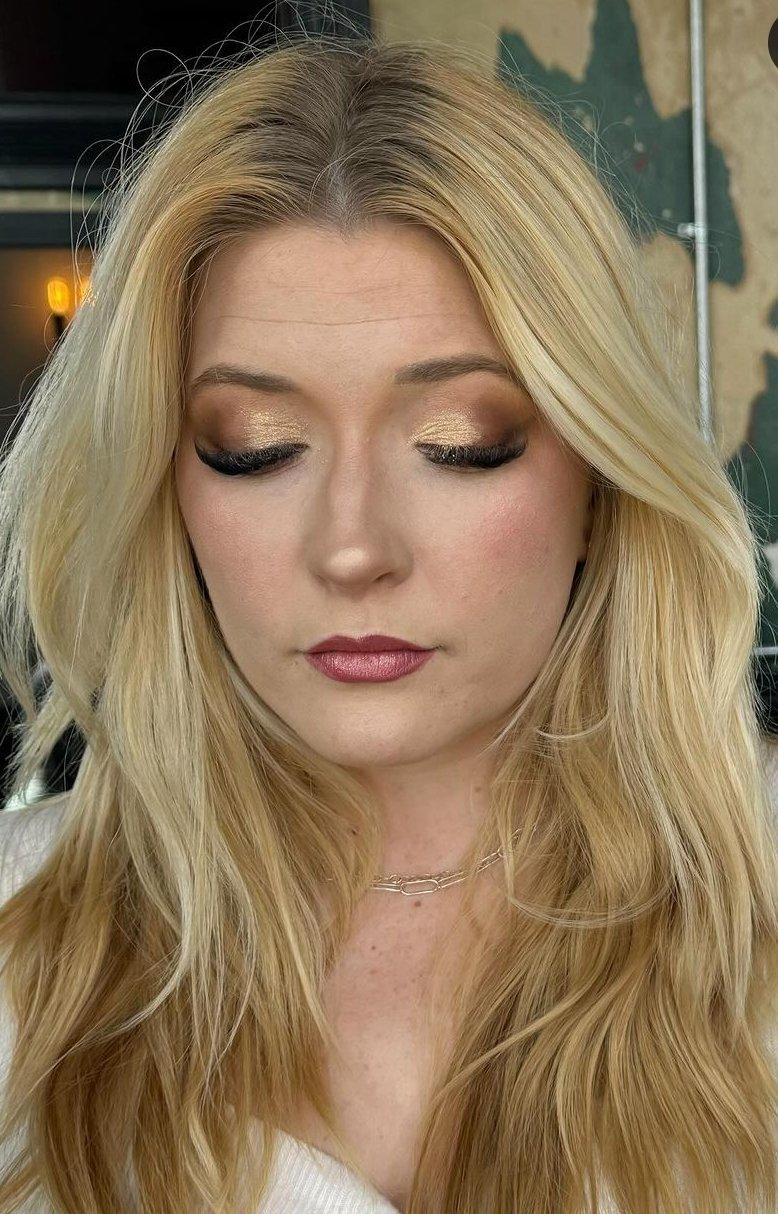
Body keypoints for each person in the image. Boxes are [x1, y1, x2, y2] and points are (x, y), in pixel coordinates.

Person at [0, 29, 775, 1214]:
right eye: (254, 448)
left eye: (461, 443)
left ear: (599, 479)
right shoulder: (22, 937)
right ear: (169, 488)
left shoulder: (753, 878)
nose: (353, 547)